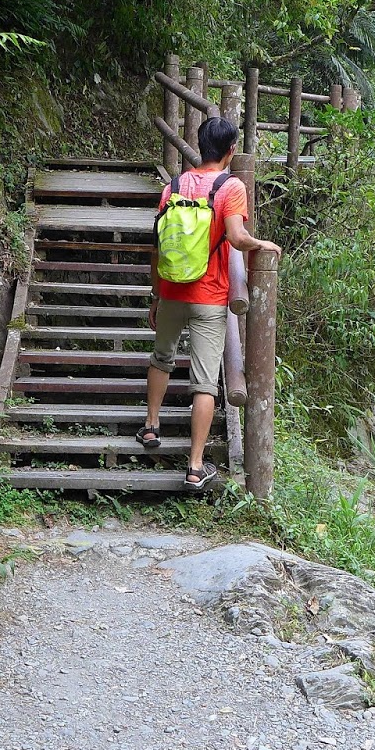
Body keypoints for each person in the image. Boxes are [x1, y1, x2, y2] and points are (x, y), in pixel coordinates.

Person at [138, 116, 281, 488]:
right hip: (210, 296)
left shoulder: (173, 186)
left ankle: (151, 426)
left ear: (200, 147)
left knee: (161, 358)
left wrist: (156, 294)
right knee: (204, 383)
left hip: (171, 291)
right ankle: (195, 466)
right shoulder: (230, 187)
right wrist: (261, 244)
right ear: (231, 151)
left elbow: (157, 247)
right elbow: (236, 237)